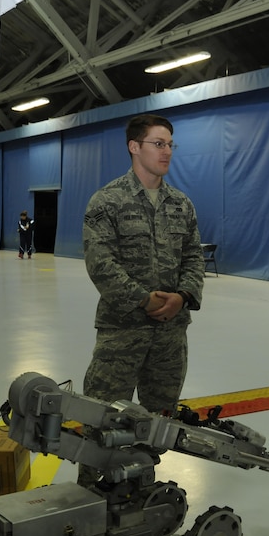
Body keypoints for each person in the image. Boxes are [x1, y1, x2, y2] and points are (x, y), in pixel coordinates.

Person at [80, 113, 205, 486]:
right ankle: (93, 497)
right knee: (102, 421)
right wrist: (145, 300)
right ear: (135, 147)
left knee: (157, 424)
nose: (167, 152)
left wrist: (182, 297)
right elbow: (100, 263)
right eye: (158, 143)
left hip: (169, 337)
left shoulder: (182, 204)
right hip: (122, 333)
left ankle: (140, 495)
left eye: (170, 144)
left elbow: (194, 257)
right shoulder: (108, 201)